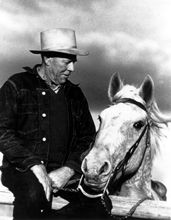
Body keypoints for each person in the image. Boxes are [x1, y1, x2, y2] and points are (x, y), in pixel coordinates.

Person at [0, 28, 96, 219]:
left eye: (73, 62)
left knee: (99, 205)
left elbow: (88, 138)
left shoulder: (75, 96)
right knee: (34, 194)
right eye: (67, 62)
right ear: (48, 58)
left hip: (66, 175)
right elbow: (2, 131)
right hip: (22, 170)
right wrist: (34, 164)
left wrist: (69, 169)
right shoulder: (17, 85)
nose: (72, 69)